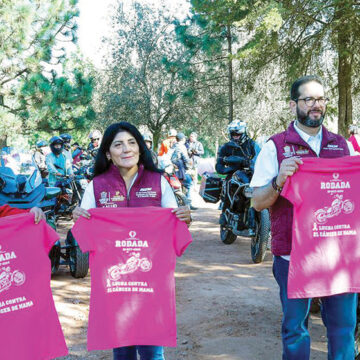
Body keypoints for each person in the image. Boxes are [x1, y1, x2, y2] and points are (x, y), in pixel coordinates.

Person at [250, 75, 357, 359]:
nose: (316, 105)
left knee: (343, 330)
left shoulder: (341, 146)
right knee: (296, 330)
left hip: (338, 258)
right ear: (293, 104)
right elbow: (258, 203)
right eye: (308, 99)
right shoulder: (276, 146)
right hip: (293, 257)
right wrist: (278, 181)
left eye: (320, 99)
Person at [72, 121, 191, 360]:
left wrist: (184, 218)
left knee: (152, 352)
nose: (126, 149)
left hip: (151, 287)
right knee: (122, 351)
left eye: (131, 143)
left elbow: (175, 226)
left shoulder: (158, 183)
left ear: (140, 148)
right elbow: (83, 233)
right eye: (118, 145)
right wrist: (80, 218)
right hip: (115, 288)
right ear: (108, 152)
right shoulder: (97, 186)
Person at [216, 120, 258, 234]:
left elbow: (260, 158)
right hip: (233, 175)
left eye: (238, 134)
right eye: (233, 134)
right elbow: (219, 166)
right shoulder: (226, 147)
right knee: (230, 185)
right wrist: (229, 168)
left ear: (244, 133)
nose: (235, 137)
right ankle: (227, 214)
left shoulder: (252, 144)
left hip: (252, 173)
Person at [171, 132, 196, 210]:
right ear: (182, 139)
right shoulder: (182, 146)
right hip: (180, 169)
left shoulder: (173, 146)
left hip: (173, 168)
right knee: (190, 184)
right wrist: (190, 166)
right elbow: (186, 159)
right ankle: (188, 203)